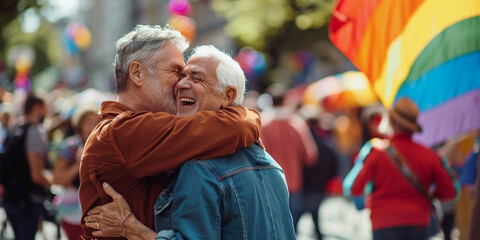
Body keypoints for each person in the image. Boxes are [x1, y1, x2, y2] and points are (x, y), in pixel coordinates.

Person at [84, 45, 295, 240]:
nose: (181, 84)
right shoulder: (270, 163)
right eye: (180, 75)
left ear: (227, 96)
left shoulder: (199, 168)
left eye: (197, 78)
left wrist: (131, 228)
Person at [343, 98, 459, 240]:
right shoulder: (430, 155)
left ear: (391, 121)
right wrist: (429, 195)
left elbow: (354, 188)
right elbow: (451, 192)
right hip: (418, 223)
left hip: (383, 224)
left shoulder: (376, 152)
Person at [260, 84, 318, 231]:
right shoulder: (297, 123)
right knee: (290, 228)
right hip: (292, 183)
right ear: (285, 101)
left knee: (270, 228)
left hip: (268, 183)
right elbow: (311, 156)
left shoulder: (262, 123)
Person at [3, 93, 52, 240]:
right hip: (28, 199)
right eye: (45, 107)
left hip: (10, 197)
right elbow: (37, 175)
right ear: (37, 107)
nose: (47, 111)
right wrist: (53, 181)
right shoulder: (35, 132)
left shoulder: (14, 128)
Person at [53, 104, 100, 240]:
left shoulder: (103, 145)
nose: (94, 126)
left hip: (95, 214)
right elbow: (57, 179)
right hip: (73, 213)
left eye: (97, 122)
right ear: (80, 124)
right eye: (89, 122)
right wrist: (79, 162)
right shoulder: (71, 146)